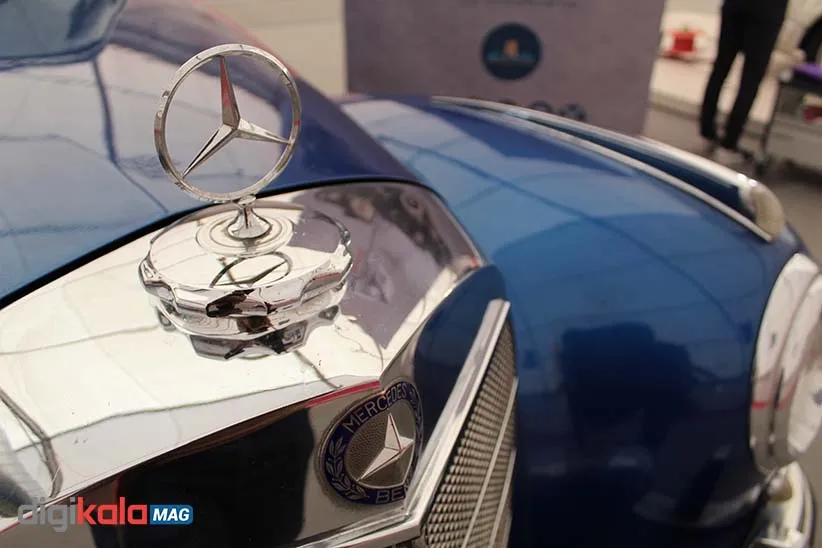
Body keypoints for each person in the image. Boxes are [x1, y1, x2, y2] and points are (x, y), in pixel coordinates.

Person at [699, 0, 788, 159]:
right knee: (750, 79)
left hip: (736, 5)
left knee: (720, 67)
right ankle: (729, 142)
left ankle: (707, 128)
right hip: (768, 10)